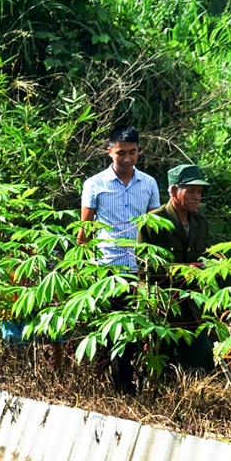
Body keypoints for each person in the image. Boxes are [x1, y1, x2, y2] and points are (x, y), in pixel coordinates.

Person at [79, 125, 159, 393]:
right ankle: (121, 385)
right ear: (109, 151)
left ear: (139, 151)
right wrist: (81, 265)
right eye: (121, 153)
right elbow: (85, 230)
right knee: (114, 329)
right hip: (107, 268)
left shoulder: (149, 184)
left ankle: (126, 383)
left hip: (138, 268)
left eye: (133, 153)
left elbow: (154, 228)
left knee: (134, 329)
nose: (127, 159)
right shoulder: (94, 184)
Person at [143, 163, 214, 369]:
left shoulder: (201, 222)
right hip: (164, 304)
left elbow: (204, 256)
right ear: (173, 191)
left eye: (199, 192)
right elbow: (145, 266)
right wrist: (181, 269)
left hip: (193, 304)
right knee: (162, 361)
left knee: (201, 357)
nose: (197, 197)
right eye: (191, 191)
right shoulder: (154, 221)